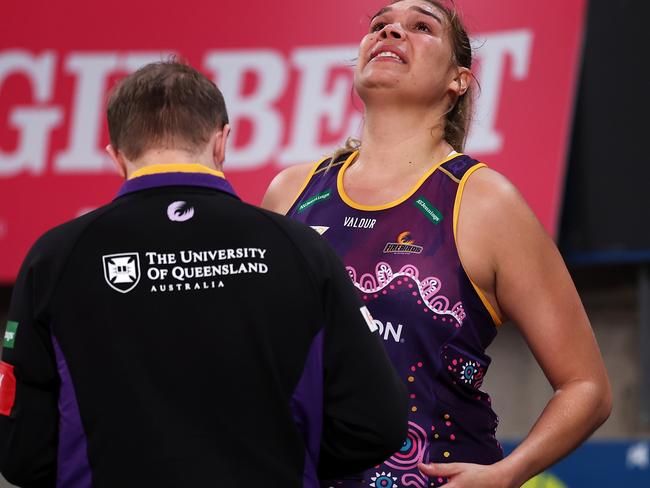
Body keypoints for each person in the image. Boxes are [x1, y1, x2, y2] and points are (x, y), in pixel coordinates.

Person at [0, 60, 409, 488]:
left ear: (116, 157)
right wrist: (287, 459)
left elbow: (23, 454)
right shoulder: (302, 249)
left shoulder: (55, 257)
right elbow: (376, 424)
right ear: (222, 142)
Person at [262, 1, 612, 487]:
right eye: (380, 26)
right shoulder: (290, 192)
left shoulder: (486, 202)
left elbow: (587, 387)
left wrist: (508, 473)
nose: (391, 32)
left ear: (459, 80)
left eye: (421, 27)